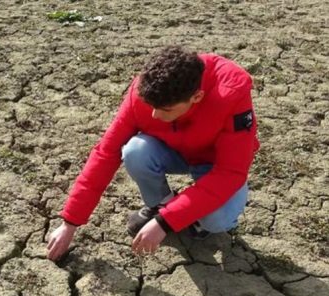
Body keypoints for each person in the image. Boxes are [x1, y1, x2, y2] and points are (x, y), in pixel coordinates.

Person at [47, 46, 259, 260]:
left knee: (218, 220)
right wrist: (70, 223)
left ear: (197, 97)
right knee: (134, 150)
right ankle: (162, 205)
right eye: (151, 106)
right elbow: (105, 153)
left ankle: (190, 220)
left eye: (166, 109)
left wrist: (165, 222)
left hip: (213, 163)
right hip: (173, 151)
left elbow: (229, 173)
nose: (154, 115)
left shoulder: (232, 93)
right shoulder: (147, 90)